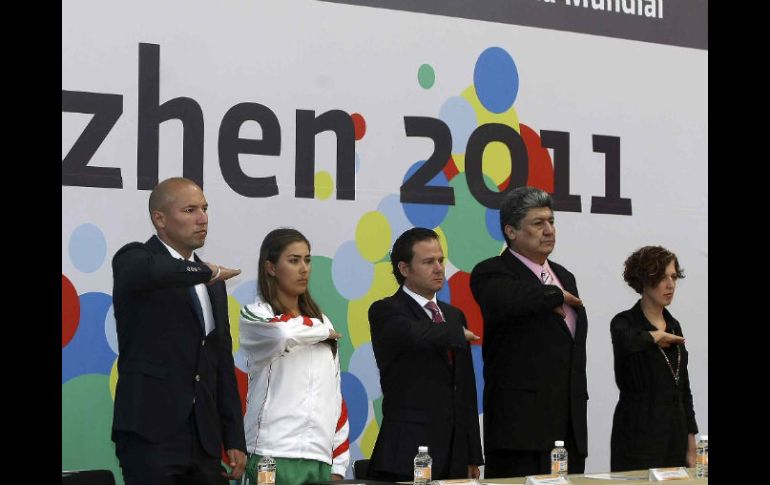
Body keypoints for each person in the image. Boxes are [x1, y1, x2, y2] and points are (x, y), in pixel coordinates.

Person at [111, 177, 247, 485]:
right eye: (190, 210)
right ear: (159, 219)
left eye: (205, 208)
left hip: (205, 440)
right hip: (150, 435)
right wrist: (205, 272)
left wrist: (234, 437)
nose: (203, 219)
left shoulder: (214, 284)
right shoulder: (134, 259)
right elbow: (157, 272)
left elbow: (221, 361)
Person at [469, 186, 588, 478]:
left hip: (568, 431)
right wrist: (555, 295)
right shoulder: (492, 272)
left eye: (551, 221)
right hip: (520, 435)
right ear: (511, 231)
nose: (548, 230)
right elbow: (513, 300)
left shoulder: (565, 275)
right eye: (538, 223)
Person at [367, 228, 484, 482]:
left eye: (441, 260)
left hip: (455, 455)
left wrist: (472, 453)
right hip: (408, 452)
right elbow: (413, 333)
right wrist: (455, 333)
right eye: (428, 262)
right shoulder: (386, 311)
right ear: (404, 269)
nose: (439, 268)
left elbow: (465, 391)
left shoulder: (453, 316)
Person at [239, 228, 350, 485]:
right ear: (270, 268)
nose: (304, 269)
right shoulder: (256, 314)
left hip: (318, 458)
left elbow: (335, 398)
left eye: (307, 260)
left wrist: (339, 465)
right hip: (270, 454)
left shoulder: (323, 321)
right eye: (293, 260)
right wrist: (320, 331)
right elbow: (281, 334)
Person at [610, 246, 698, 471]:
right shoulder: (624, 322)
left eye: (674, 277)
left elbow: (683, 388)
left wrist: (691, 440)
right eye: (662, 277)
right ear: (644, 280)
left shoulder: (674, 324)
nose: (670, 285)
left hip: (675, 433)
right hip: (638, 432)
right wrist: (655, 336)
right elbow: (626, 340)